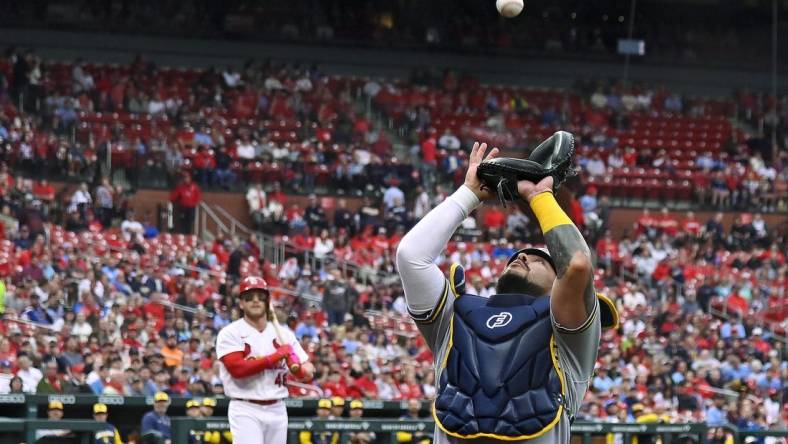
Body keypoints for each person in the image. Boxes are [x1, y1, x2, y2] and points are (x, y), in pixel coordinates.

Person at [396, 142, 618, 443]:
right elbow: (411, 256)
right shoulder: (456, 315)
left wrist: (539, 197)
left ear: (559, 287)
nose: (523, 257)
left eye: (539, 260)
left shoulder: (569, 336)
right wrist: (469, 194)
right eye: (517, 258)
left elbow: (577, 264)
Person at [216, 276, 315, 444]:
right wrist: (276, 356)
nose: (255, 301)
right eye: (249, 298)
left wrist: (301, 370)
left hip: (277, 406)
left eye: (260, 297)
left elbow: (307, 366)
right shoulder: (231, 332)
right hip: (246, 406)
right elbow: (238, 370)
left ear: (267, 302)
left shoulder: (283, 333)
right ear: (241, 303)